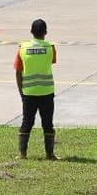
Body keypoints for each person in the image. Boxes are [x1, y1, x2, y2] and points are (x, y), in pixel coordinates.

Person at [14, 18, 57, 160]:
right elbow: (52, 61)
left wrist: (22, 92)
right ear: (46, 32)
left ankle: (22, 153)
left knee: (27, 122)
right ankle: (49, 154)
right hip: (46, 91)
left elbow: (18, 71)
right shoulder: (50, 47)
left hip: (29, 92)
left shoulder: (22, 48)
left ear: (31, 32)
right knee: (47, 123)